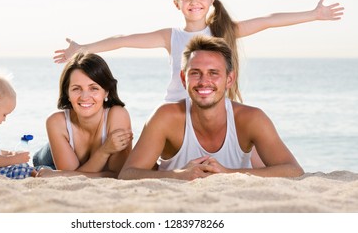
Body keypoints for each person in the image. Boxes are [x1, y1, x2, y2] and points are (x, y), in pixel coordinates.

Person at [53, 0, 344, 103]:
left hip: (216, 103)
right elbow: (123, 38)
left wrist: (312, 14)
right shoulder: (171, 36)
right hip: (177, 105)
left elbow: (268, 21)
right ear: (176, 3)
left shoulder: (224, 30)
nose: (195, 1)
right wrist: (83, 47)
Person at [118, 35, 304, 180]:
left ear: (229, 79)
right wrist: (178, 175)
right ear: (184, 79)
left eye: (213, 73)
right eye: (195, 73)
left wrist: (228, 174)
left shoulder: (252, 118)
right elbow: (127, 174)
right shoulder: (165, 117)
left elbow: (293, 170)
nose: (204, 81)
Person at [34, 52, 133, 178]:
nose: (85, 97)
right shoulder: (56, 121)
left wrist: (63, 174)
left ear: (106, 91)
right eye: (76, 88)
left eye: (93, 88)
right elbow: (69, 176)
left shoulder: (118, 115)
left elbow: (117, 175)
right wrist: (104, 151)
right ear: (67, 93)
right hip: (48, 162)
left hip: (64, 169)